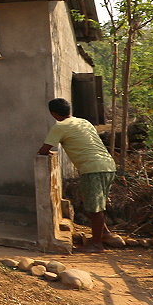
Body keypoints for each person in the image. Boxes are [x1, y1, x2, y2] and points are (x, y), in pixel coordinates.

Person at [37, 98, 117, 254]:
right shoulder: (83, 122)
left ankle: (97, 245)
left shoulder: (60, 127)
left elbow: (44, 150)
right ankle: (104, 233)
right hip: (108, 165)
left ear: (53, 114)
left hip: (92, 169)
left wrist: (44, 151)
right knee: (89, 200)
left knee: (95, 208)